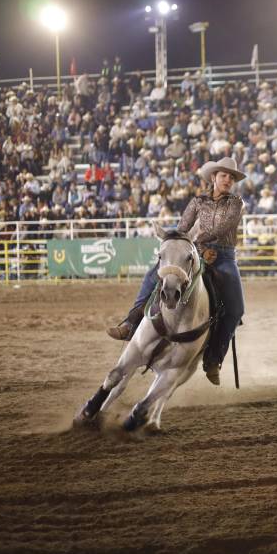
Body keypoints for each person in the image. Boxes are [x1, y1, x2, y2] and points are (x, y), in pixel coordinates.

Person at [106, 155, 246, 385]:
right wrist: (191, 247)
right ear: (213, 177)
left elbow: (224, 228)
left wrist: (197, 243)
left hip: (224, 257)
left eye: (231, 177)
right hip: (193, 252)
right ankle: (131, 323)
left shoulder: (235, 203)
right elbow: (182, 229)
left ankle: (213, 359)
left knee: (236, 308)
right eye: (224, 175)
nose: (228, 180)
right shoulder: (197, 201)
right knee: (154, 274)